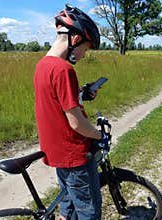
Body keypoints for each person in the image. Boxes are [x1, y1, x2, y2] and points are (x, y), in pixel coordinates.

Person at [33, 4, 105, 220]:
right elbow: (76, 123)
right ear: (75, 40)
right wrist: (99, 135)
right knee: (89, 210)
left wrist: (82, 94)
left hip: (56, 151)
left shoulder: (43, 65)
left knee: (69, 203)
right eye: (86, 47)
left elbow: (56, 103)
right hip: (75, 154)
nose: (84, 54)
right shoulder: (64, 69)